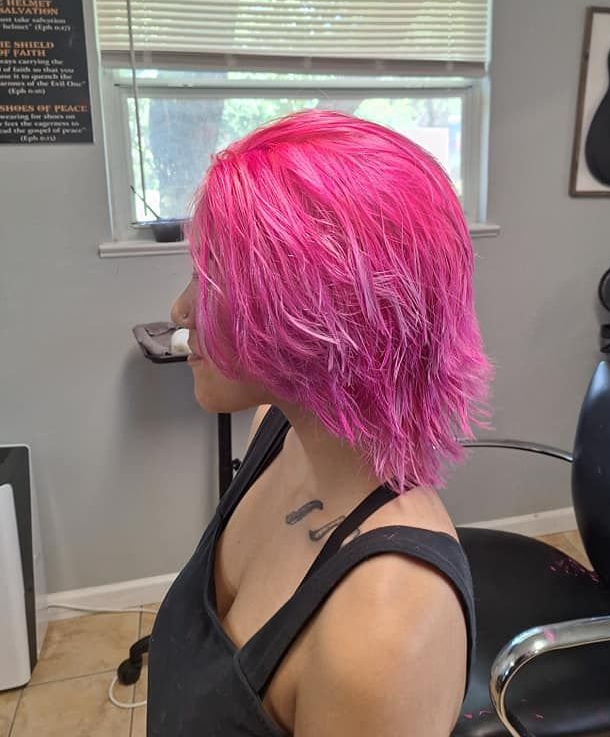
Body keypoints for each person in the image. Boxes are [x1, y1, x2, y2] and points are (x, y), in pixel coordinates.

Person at [150, 109, 492, 736]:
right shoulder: (274, 430)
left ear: (318, 312)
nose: (179, 309)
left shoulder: (383, 631)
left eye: (214, 279)